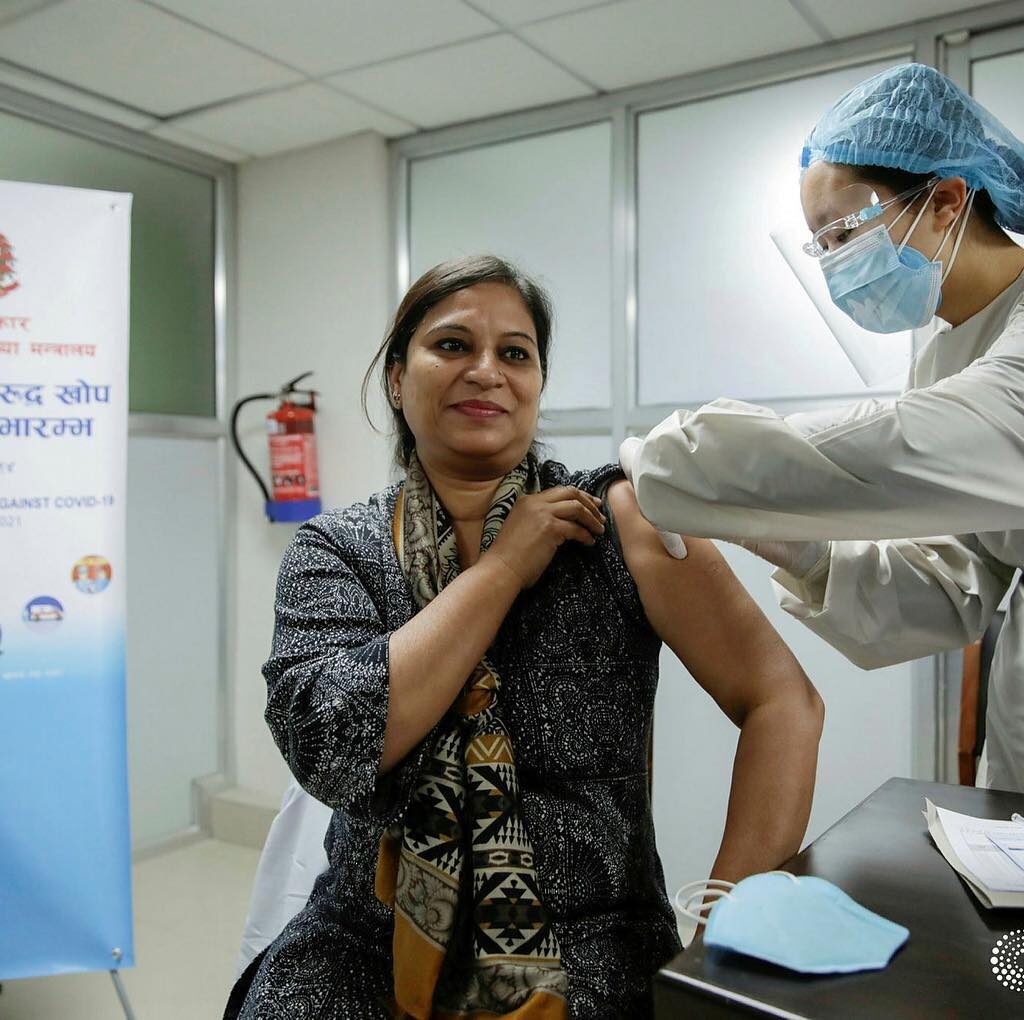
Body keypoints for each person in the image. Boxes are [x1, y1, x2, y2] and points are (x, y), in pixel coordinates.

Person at [226, 255, 823, 1019]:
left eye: (515, 353)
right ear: (397, 380)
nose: (487, 371)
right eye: (452, 345)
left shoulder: (620, 522)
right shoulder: (337, 549)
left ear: (538, 384)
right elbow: (335, 748)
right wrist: (504, 569)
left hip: (592, 940)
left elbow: (783, 702)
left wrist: (723, 934)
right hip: (371, 938)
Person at [620, 63, 1024, 792]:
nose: (836, 264)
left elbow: (902, 446)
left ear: (945, 200)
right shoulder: (944, 358)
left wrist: (687, 462)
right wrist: (797, 548)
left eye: (844, 232)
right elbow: (955, 586)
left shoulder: (1000, 365)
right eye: (822, 245)